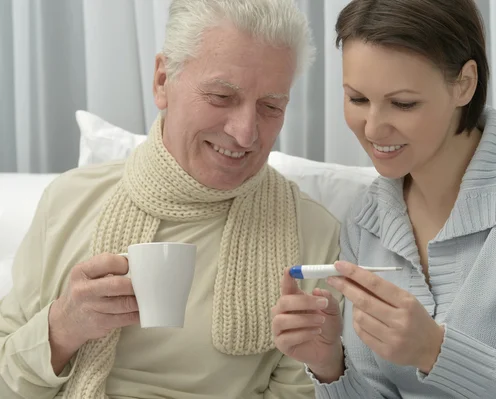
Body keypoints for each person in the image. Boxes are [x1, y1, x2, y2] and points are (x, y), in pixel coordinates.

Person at [0, 1, 342, 398]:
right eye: (220, 96)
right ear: (163, 80)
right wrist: (60, 329)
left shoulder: (312, 235)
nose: (246, 133)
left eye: (270, 107)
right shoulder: (68, 200)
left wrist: (328, 363)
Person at [272, 0, 496, 397]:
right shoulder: (367, 221)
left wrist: (435, 351)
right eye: (357, 99)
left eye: (403, 103)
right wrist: (329, 365)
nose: (373, 127)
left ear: (464, 83)